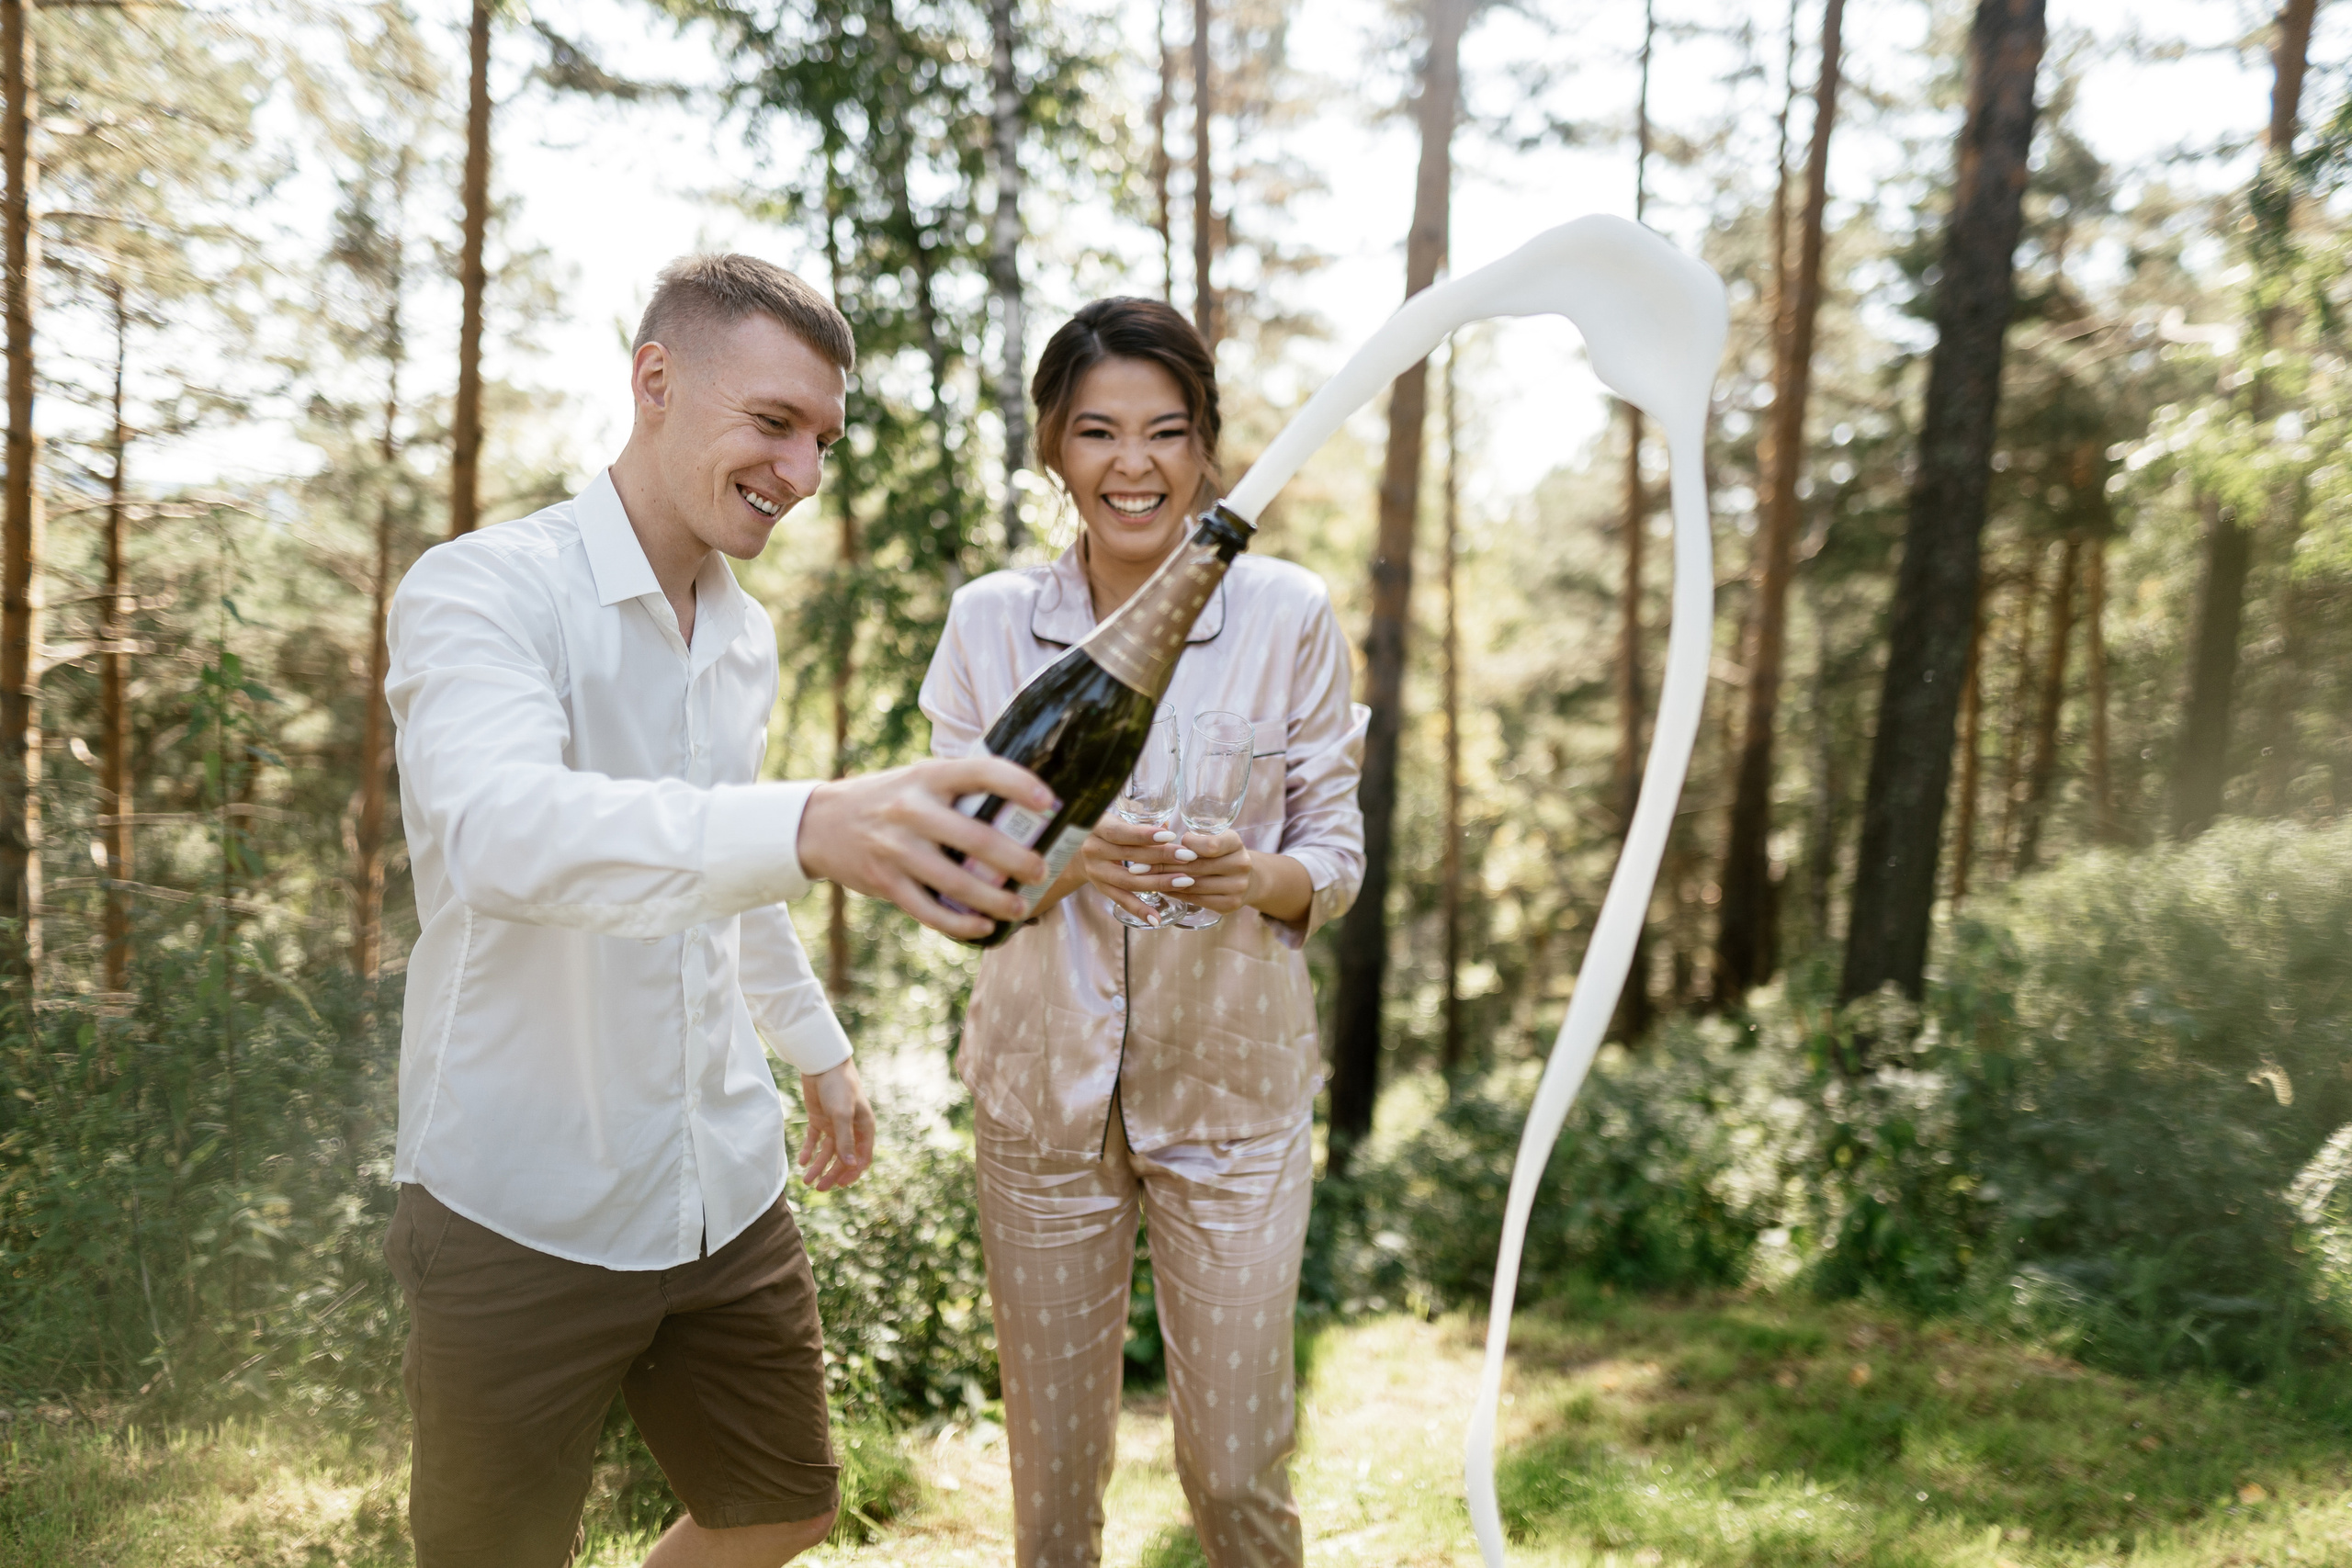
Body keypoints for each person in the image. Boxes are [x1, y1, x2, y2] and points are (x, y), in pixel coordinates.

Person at [383, 253, 1055, 1568]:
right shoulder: (483, 589)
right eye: (775, 423)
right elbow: (501, 834)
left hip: (721, 1184)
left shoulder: (745, 638)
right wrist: (809, 824)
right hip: (522, 1199)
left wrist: (816, 1049)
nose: (802, 474)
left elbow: (724, 872)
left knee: (782, 1505)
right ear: (655, 382)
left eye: (823, 443)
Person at [920, 297, 1367, 1568]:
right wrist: (1062, 864)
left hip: (1235, 1098)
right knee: (1053, 1491)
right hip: (1039, 1098)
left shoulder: (1286, 614)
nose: (1135, 464)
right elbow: (951, 865)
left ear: (1205, 445)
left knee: (1233, 1474)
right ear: (1053, 448)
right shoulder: (990, 622)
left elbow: (1335, 853)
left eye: (1166, 432)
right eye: (1097, 431)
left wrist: (1256, 877)